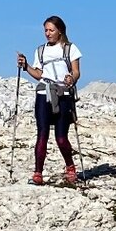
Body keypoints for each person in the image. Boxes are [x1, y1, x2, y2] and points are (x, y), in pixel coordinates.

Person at [18, 15, 81, 184]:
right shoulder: (40, 51)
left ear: (60, 31)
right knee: (42, 134)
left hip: (63, 95)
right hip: (43, 94)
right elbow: (39, 74)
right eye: (45, 30)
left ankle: (70, 167)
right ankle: (38, 173)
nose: (47, 33)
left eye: (51, 30)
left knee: (61, 137)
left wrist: (71, 79)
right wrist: (26, 67)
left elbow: (76, 71)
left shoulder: (70, 49)